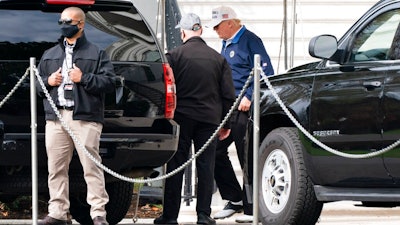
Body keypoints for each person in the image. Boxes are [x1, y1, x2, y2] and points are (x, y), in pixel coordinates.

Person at [153, 13, 235, 225]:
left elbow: (166, 89)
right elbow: (228, 95)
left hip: (181, 118)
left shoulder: (174, 55)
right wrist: (226, 124)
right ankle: (203, 215)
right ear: (200, 30)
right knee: (206, 167)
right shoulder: (218, 58)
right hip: (209, 120)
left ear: (182, 32)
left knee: (176, 166)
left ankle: (170, 216)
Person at [36, 6, 115, 225]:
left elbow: (110, 83)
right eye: (61, 22)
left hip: (85, 118)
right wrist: (47, 82)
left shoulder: (97, 53)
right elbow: (34, 84)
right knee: (56, 168)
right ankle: (58, 212)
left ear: (81, 24)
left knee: (91, 167)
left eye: (68, 22)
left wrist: (85, 78)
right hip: (55, 119)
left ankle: (98, 213)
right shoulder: (50, 54)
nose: (63, 26)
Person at [208, 5, 275, 223]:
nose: (216, 31)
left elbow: (265, 71)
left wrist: (250, 95)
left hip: (244, 108)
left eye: (218, 26)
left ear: (230, 23)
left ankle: (251, 207)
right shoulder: (226, 44)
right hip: (227, 107)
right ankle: (234, 198)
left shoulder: (249, 40)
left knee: (246, 156)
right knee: (214, 150)